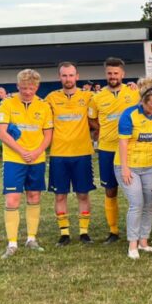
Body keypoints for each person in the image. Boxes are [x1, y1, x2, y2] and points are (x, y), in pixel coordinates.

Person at [0, 69, 53, 258]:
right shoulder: (7, 104)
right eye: (23, 88)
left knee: (34, 196)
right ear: (17, 86)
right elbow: (2, 133)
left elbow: (48, 134)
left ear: (37, 87)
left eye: (31, 88)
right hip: (14, 159)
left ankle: (31, 239)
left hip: (36, 159)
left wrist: (37, 152)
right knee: (12, 199)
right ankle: (12, 244)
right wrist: (21, 151)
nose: (27, 91)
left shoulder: (44, 106)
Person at [88, 57, 140, 243]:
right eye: (109, 73)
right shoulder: (97, 97)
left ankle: (139, 230)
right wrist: (101, 129)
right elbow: (91, 119)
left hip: (131, 149)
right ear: (105, 74)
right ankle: (113, 231)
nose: (112, 76)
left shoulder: (134, 93)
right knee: (110, 190)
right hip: (107, 148)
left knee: (135, 191)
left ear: (122, 74)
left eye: (116, 73)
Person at [45, 62, 96, 245]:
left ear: (77, 76)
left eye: (71, 75)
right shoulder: (51, 98)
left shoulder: (88, 96)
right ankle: (64, 233)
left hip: (82, 153)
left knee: (83, 194)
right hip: (58, 154)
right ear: (60, 77)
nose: (68, 79)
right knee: (60, 195)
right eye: (64, 75)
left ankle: (84, 232)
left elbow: (104, 110)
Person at [119, 85, 152, 259]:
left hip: (150, 165)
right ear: (143, 102)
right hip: (129, 165)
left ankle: (144, 242)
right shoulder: (129, 114)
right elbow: (123, 143)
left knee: (149, 203)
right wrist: (124, 168)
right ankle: (132, 244)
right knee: (136, 203)